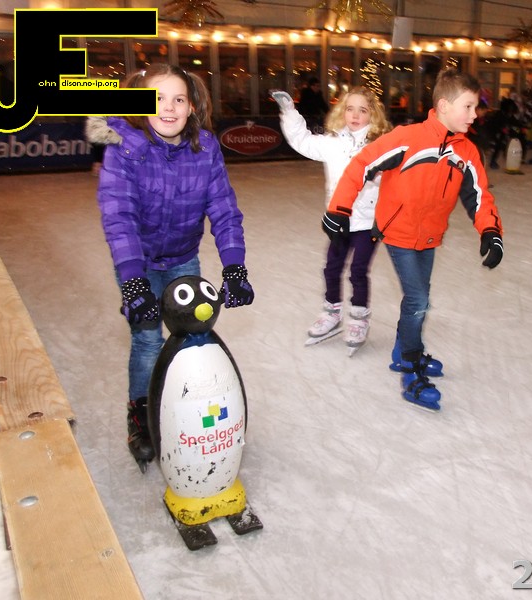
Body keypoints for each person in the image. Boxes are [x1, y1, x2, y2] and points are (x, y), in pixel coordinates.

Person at [87, 64, 255, 469]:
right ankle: (141, 415)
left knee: (193, 334)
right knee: (148, 340)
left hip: (182, 258)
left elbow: (224, 209)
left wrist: (234, 267)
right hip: (139, 262)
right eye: (157, 99)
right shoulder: (124, 148)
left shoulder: (205, 148)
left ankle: (189, 408)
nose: (169, 107)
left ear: (191, 106)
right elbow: (119, 218)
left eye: (179, 99)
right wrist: (133, 282)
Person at [322, 69, 505, 411]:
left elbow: (479, 195)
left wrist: (491, 232)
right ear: (444, 105)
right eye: (468, 106)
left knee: (419, 298)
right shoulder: (407, 138)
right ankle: (409, 367)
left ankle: (403, 350)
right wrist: (339, 209)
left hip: (430, 236)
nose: (474, 114)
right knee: (418, 301)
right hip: (398, 232)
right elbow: (361, 165)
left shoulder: (466, 152)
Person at [271, 86, 392, 352]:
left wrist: (381, 176)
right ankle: (332, 313)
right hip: (339, 220)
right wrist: (289, 112)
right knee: (331, 268)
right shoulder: (332, 143)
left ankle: (359, 318)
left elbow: (395, 176)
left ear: (373, 114)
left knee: (358, 271)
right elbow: (303, 141)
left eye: (362, 110)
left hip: (368, 223)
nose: (355, 115)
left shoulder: (380, 147)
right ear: (342, 112)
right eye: (350, 109)